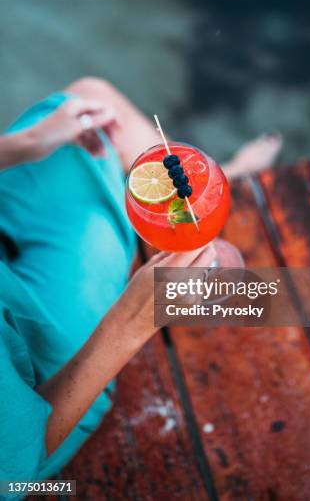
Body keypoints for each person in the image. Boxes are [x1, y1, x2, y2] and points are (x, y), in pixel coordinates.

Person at [0, 78, 282, 484]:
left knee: (93, 104)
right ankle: (195, 224)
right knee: (130, 225)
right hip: (32, 391)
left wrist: (25, 144)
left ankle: (200, 214)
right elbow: (16, 464)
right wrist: (132, 321)